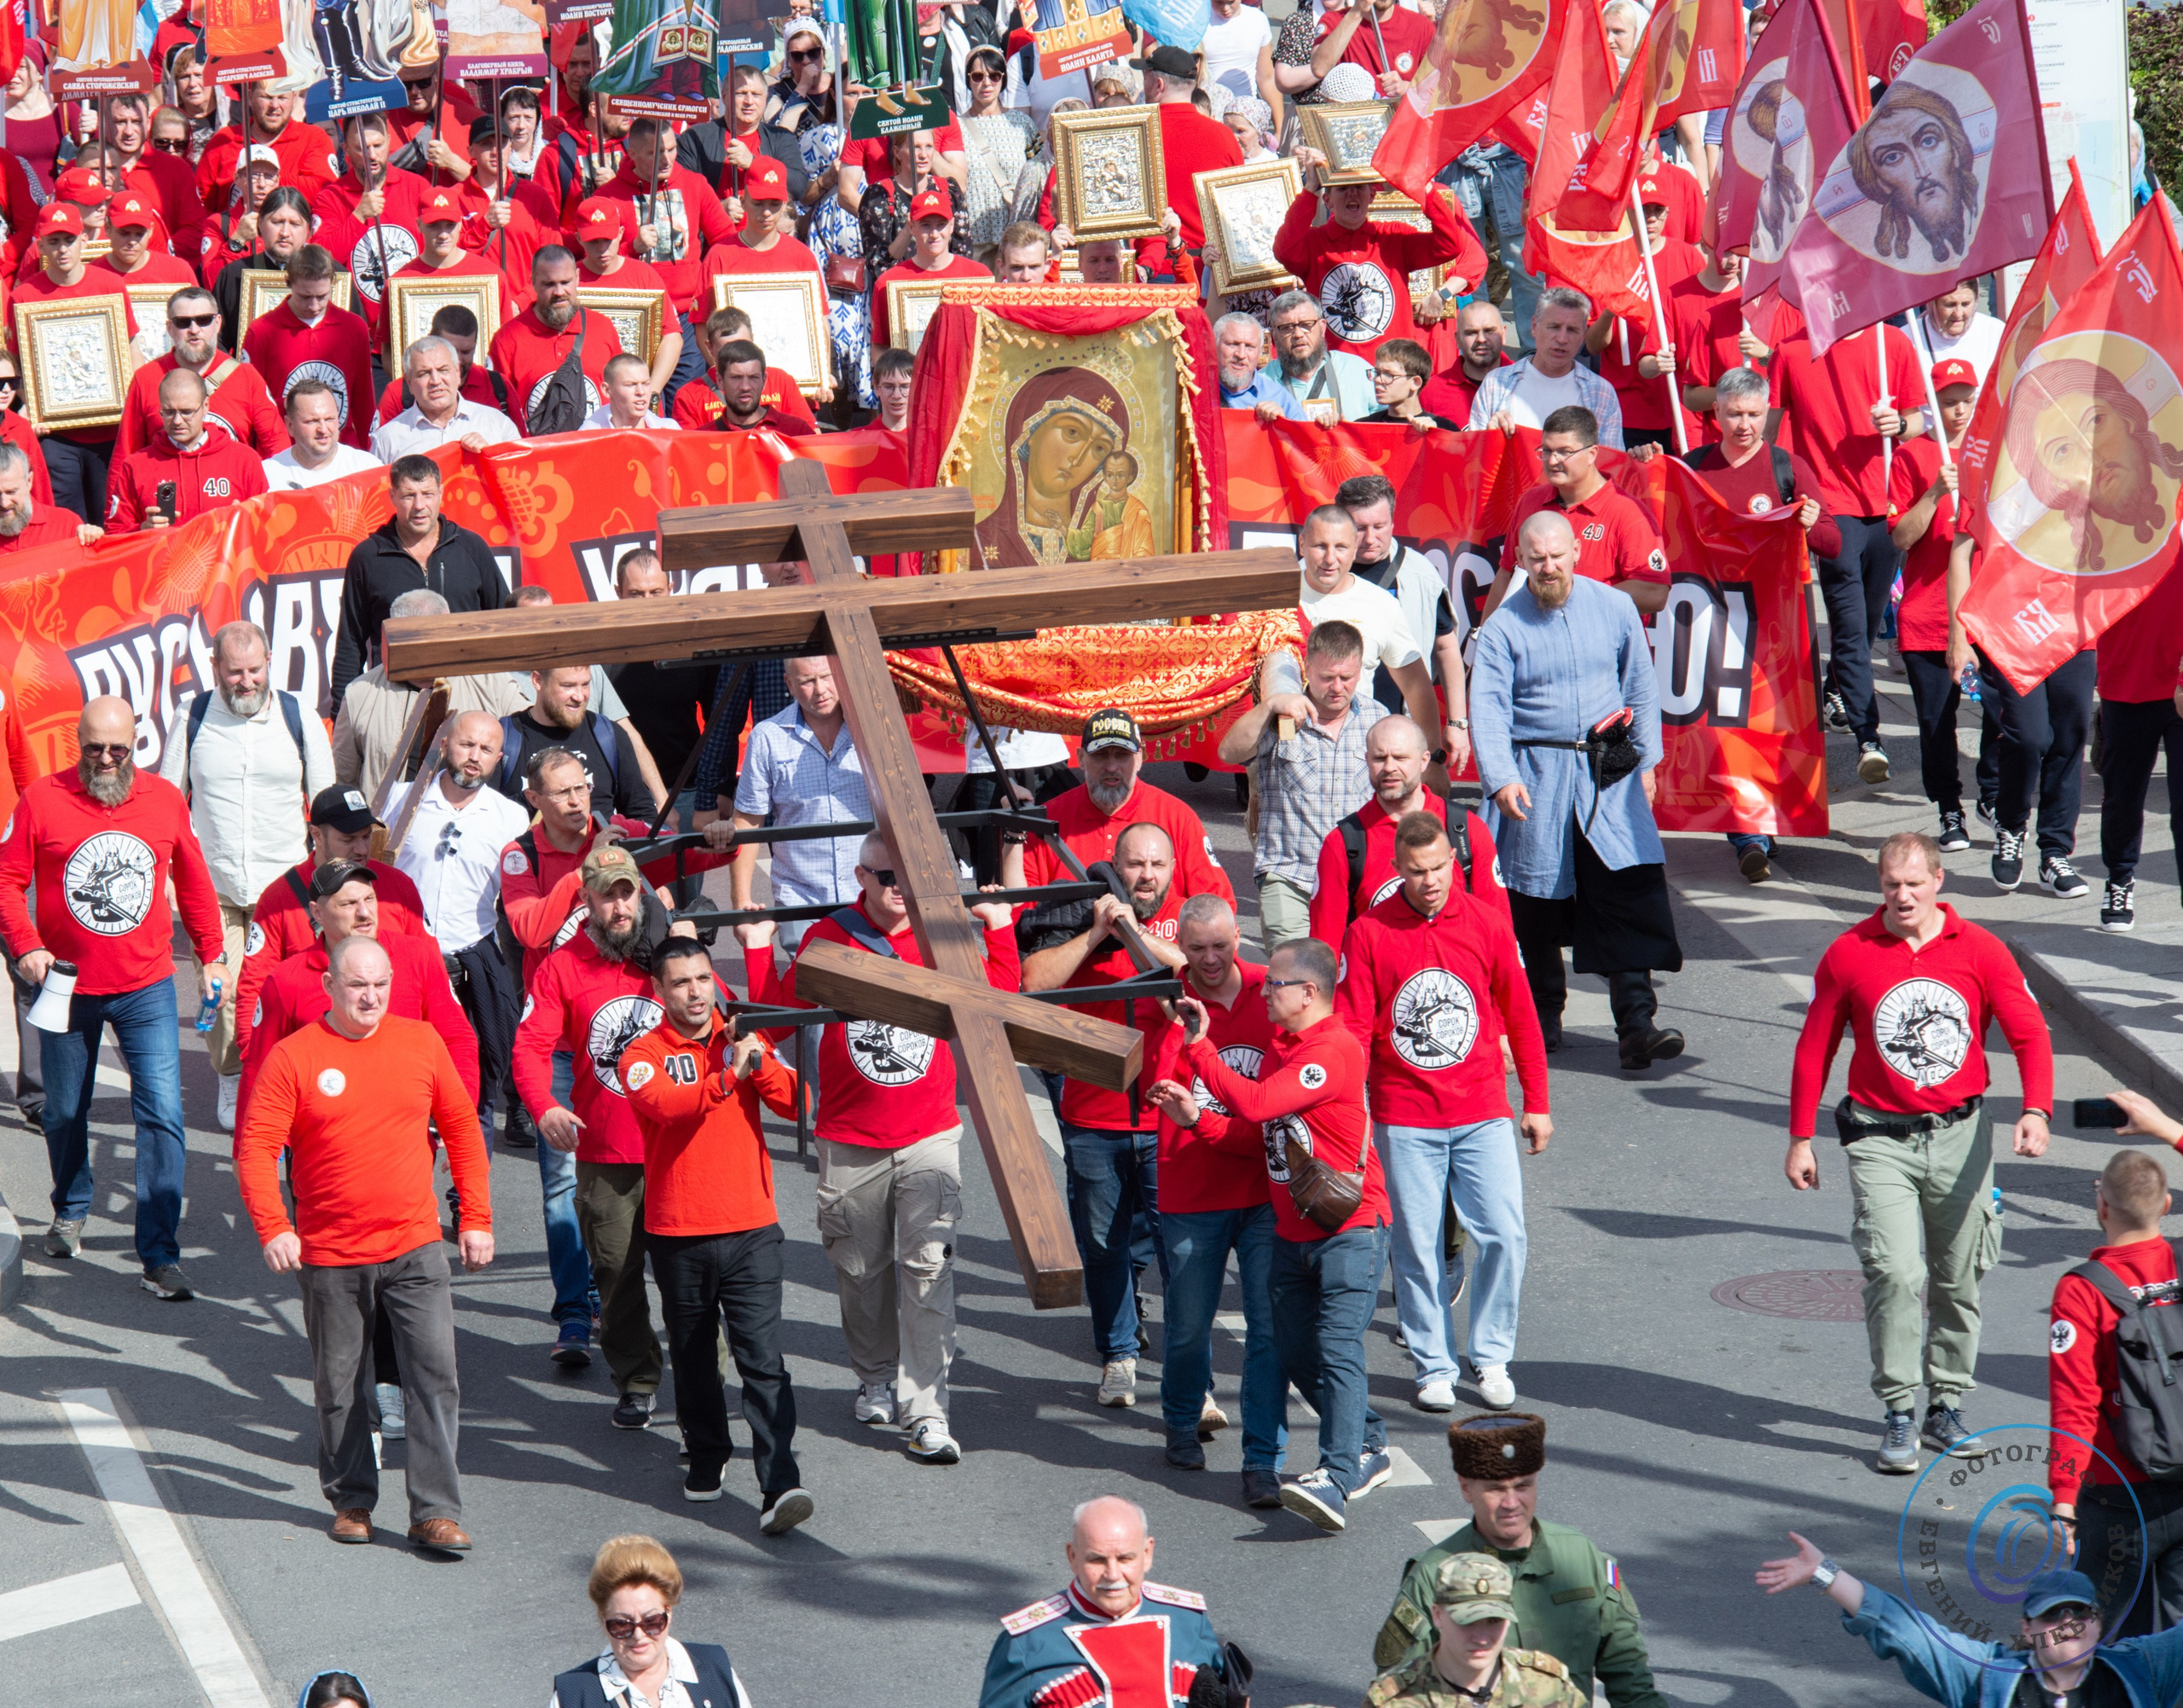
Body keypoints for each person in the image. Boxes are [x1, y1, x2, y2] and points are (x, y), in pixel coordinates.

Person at [738, 835, 1017, 1466]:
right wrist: (757, 947)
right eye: (885, 873)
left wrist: (999, 932)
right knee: (861, 1276)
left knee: (928, 1271)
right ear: (860, 874)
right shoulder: (830, 936)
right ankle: (873, 1374)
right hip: (849, 1137)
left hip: (929, 1136)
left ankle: (927, 1409)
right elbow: (775, 1019)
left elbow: (996, 1006)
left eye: (909, 872)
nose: (898, 884)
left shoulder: (943, 935)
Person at [1786, 830, 2053, 1473]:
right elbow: (1814, 1047)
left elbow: (2029, 1034)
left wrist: (2037, 1109)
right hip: (1880, 1137)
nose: (1902, 896)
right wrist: (1800, 1136)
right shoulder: (1849, 953)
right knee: (1897, 1273)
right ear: (1879, 886)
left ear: (1939, 881)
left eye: (1913, 883)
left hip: (1962, 1135)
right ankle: (1900, 1410)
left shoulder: (1982, 951)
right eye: (1890, 885)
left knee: (1959, 1277)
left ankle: (1947, 1403)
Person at [235, 933, 490, 1555]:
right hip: (330, 1254)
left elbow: (460, 1127)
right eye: (357, 984)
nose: (370, 996)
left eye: (379, 984)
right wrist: (275, 1225)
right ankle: (352, 1497)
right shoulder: (295, 1057)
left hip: (415, 1245)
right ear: (330, 987)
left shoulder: (422, 1042)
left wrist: (476, 1216)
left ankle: (434, 1510)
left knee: (434, 1374)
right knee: (341, 1381)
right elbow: (256, 1147)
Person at [0, 697, 224, 1294]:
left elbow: (195, 882)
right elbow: (6, 878)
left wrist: (212, 953)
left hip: (146, 985)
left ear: (135, 744)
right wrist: (24, 942)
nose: (105, 760)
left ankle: (159, 1251)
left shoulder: (163, 800)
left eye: (117, 749)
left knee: (163, 1114)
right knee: (64, 1110)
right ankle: (71, 1203)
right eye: (94, 748)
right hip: (66, 987)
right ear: (78, 742)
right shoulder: (42, 799)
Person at [1170, 935, 1387, 1533]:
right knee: (1296, 1350)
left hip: (1350, 1228)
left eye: (1275, 984)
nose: (1265, 991)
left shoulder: (1333, 1050)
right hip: (1294, 1232)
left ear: (1308, 992)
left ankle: (1339, 1475)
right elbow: (1260, 1137)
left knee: (1338, 1345)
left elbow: (1261, 1104)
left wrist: (1202, 1049)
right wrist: (1199, 1121)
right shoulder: (1286, 1049)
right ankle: (1370, 1439)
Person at [1339, 812, 1549, 1413]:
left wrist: (1536, 1101)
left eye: (1440, 868)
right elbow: (1353, 1030)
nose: (1431, 880)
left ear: (1453, 863)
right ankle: (1434, 1362)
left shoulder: (1486, 923)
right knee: (1417, 1244)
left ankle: (1490, 1355)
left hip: (1482, 1107)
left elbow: (1523, 1016)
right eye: (1417, 871)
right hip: (1405, 1116)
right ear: (1399, 870)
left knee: (1504, 1234)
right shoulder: (1370, 932)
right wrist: (1353, 1119)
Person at [1472, 512, 1683, 1070]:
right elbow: (1487, 709)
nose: (1548, 567)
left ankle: (1637, 1023)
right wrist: (1500, 777)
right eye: (1536, 557)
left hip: (1607, 765)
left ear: (1575, 553)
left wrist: (1647, 760)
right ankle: (1541, 1019)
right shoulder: (1502, 628)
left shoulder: (1614, 607)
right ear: (1520, 558)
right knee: (1536, 903)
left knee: (1624, 887)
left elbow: (1639, 679)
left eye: (1558, 555)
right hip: (1535, 770)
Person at [622, 937, 814, 1532]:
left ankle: (780, 1482)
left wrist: (756, 1058)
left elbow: (797, 1103)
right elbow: (666, 1106)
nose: (695, 991)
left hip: (752, 1227)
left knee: (763, 1360)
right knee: (696, 1357)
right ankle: (707, 1452)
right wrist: (728, 1077)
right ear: (659, 991)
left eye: (703, 978)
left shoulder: (742, 1040)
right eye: (680, 982)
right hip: (677, 1231)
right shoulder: (641, 1053)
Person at [1023, 820, 1193, 1407]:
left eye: (1157, 865)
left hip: (1165, 1123)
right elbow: (1032, 983)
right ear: (1115, 865)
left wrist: (1142, 935)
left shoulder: (1185, 927)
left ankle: (1187, 1370)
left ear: (1172, 870)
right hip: (1093, 1121)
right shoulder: (1084, 917)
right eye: (1136, 864)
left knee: (1180, 1252)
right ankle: (1118, 1354)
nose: (1146, 875)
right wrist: (1096, 934)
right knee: (1103, 1247)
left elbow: (1212, 976)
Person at [514, 843, 682, 1430]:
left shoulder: (668, 956)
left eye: (626, 891)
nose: (618, 904)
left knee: (691, 1277)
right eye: (606, 893)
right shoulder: (562, 966)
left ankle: (701, 1380)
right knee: (615, 1273)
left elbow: (720, 1021)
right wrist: (544, 1106)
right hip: (606, 1153)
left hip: (678, 1149)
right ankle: (637, 1378)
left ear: (641, 893)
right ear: (584, 899)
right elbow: (531, 1047)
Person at [157, 620, 334, 1126]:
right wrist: (167, 876)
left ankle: (294, 1077)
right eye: (234, 672)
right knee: (222, 989)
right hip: (211, 888)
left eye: (255, 669)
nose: (246, 681)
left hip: (287, 891)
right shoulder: (191, 715)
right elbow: (168, 802)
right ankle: (233, 1077)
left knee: (296, 988)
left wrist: (330, 882)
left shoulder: (298, 715)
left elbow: (324, 806)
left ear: (270, 661)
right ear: (214, 668)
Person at [1137, 894, 1285, 1498]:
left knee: (1268, 1328)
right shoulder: (1165, 998)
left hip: (1259, 1188)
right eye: (1196, 948)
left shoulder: (1271, 990)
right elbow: (1156, 1088)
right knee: (1190, 1326)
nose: (1209, 959)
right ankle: (1179, 1422)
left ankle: (1262, 1457)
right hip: (1192, 1187)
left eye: (1220, 946)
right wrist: (1178, 1029)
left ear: (1238, 939)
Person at [1377, 1413, 1669, 1703]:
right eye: (1495, 1489)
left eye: (1523, 1486)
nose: (1511, 1503)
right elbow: (1400, 1691)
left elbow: (1629, 1678)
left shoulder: (1582, 1556)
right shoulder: (1432, 1574)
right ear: (1466, 1488)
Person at [1769, 313, 1922, 779]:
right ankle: (1868, 738)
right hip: (1831, 509)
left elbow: (1917, 420)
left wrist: (1898, 424)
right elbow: (1768, 429)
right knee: (1851, 628)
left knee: (1873, 620)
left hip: (1885, 504)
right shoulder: (1793, 350)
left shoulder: (1891, 342)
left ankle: (1835, 684)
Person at [2048, 1106, 2183, 1635]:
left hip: (2117, 1493)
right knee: (2175, 1648)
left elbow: (2075, 1401)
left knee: (2105, 1635)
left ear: (2101, 1205)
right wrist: (2170, 1130)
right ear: (2167, 1206)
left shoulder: (2082, 1289)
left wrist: (2063, 1496)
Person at [1752, 1548, 2183, 1708]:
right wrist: (1826, 1576)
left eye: (2079, 1614)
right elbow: (1910, 1632)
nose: (2068, 1623)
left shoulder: (2140, 1669)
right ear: (2027, 1627)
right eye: (2054, 1614)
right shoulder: (1990, 1677)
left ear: (2098, 1625)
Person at [382, 711, 534, 1147]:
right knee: (401, 1088)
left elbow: (522, 898)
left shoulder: (511, 818)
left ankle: (470, 1206)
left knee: (476, 1088)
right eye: (467, 745)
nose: (474, 757)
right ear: (445, 744)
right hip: (403, 959)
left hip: (472, 962)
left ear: (499, 759)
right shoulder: (399, 799)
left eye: (486, 750)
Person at [238, 860, 476, 1120]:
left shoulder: (418, 957)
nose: (365, 913)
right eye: (349, 904)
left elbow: (457, 1039)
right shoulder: (286, 980)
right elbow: (259, 1071)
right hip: (318, 1148)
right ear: (317, 913)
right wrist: (245, 1154)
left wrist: (457, 1120)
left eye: (370, 899)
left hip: (407, 1141)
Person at [230, 784, 430, 1066]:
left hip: (395, 1054)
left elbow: (429, 970)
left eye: (366, 837)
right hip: (314, 1059)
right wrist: (254, 1058)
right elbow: (255, 985)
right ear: (316, 835)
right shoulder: (280, 899)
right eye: (348, 839)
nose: (361, 849)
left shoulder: (399, 887)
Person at [1218, 619, 1384, 949]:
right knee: (1292, 984)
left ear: (1359, 673)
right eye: (1327, 678)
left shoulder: (1377, 719)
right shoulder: (1280, 718)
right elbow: (1228, 752)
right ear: (1307, 667)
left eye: (1346, 678)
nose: (1337, 687)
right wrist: (1270, 706)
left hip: (1355, 880)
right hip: (1289, 875)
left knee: (1348, 980)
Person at [978, 1497, 1234, 1707]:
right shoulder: (1026, 1642)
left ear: (1147, 1554)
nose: (1112, 1575)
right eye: (1097, 1560)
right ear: (1072, 1557)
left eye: (1125, 1559)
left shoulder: (1189, 1621)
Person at [1885, 362, 1978, 860]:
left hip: (1988, 613)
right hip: (1927, 615)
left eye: (1967, 399)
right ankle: (1949, 807)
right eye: (1949, 401)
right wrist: (1936, 492)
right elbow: (1900, 536)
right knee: (1936, 721)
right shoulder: (1911, 456)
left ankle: (1993, 787)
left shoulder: (1995, 449)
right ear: (1931, 405)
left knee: (2011, 719)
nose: (1960, 410)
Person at [1312, 716, 1506, 947]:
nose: (1390, 767)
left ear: (1424, 761)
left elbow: (1500, 932)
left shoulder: (1466, 829)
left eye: (1401, 757)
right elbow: (1325, 945)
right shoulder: (1344, 843)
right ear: (1366, 761)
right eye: (1379, 758)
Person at [332, 454, 509, 707]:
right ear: (392, 497)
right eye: (408, 495)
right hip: (393, 699)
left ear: (441, 493)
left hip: (468, 696)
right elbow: (350, 644)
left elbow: (503, 622)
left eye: (427, 494)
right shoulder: (367, 557)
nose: (419, 505)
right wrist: (341, 714)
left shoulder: (471, 547)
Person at [1294, 507, 1450, 775]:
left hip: (1356, 759)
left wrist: (1434, 760)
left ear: (1354, 549)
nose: (1330, 559)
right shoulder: (1276, 598)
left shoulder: (1380, 605)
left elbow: (1416, 686)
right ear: (1302, 544)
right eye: (1320, 546)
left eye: (1341, 547)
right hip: (1288, 752)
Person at [329, 593, 529, 791]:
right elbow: (343, 778)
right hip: (387, 821)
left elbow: (533, 735)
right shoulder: (361, 692)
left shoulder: (491, 682)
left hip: (469, 818)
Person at [1486, 408, 1670, 620]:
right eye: (1546, 450)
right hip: (1536, 644)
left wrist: (1573, 598)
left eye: (1565, 452)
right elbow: (1506, 573)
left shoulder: (1628, 513)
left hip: (1602, 647)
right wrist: (1485, 635)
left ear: (1592, 454)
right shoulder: (1531, 501)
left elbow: (1655, 593)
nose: (1553, 461)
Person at [1274, 173, 1480, 361]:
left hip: (1393, 365)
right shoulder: (1313, 243)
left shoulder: (1394, 236)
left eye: (1360, 187)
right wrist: (1310, 188)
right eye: (1342, 188)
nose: (1352, 193)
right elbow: (1283, 250)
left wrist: (1423, 186)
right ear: (1327, 200)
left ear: (1372, 195)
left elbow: (1449, 245)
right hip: (1335, 365)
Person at [17, 202, 136, 521]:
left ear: (84, 239)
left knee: (110, 520)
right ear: (39, 244)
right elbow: (18, 366)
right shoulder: (24, 296)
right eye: (53, 241)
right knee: (68, 523)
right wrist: (33, 406)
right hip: (56, 436)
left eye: (68, 240)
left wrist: (133, 407)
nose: (62, 249)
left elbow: (131, 349)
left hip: (109, 430)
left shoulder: (110, 286)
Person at [1337, 474, 1467, 755]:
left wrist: (1457, 723)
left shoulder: (1419, 573)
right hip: (1332, 727)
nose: (1370, 539)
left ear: (1393, 522)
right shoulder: (1316, 572)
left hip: (1401, 730)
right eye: (1360, 528)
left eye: (1379, 526)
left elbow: (1445, 646)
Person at [550, 1535, 759, 1708]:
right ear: (604, 1619)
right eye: (622, 1624)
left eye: (652, 1621)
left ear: (669, 1612)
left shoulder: (715, 1669)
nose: (638, 1635)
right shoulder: (574, 1696)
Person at [1366, 1554, 1588, 1707]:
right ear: (1437, 1615)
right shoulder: (1394, 1699)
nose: (1482, 1638)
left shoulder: (1548, 1686)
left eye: (1494, 1620)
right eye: (1467, 1621)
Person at [114, 287, 288, 461]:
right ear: (169, 328)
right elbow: (126, 454)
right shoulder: (146, 378)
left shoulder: (246, 376)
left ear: (218, 323)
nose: (194, 329)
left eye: (203, 320)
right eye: (183, 322)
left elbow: (276, 446)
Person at [241, 245, 378, 449]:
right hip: (283, 452)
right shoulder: (261, 331)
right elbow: (252, 403)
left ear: (333, 284)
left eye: (322, 296)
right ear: (288, 283)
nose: (314, 306)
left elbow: (364, 400)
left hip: (340, 450)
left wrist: (368, 450)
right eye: (305, 297)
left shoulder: (354, 327)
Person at [105, 368, 269, 534]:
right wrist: (143, 529)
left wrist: (247, 520)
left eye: (186, 412)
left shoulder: (244, 460)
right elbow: (114, 533)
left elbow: (268, 525)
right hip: (162, 559)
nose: (177, 421)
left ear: (205, 406)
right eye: (169, 413)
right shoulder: (135, 466)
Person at [490, 246, 628, 433]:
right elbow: (496, 410)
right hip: (536, 456)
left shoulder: (603, 328)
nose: (559, 292)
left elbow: (622, 394)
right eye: (549, 284)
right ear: (534, 283)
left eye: (566, 282)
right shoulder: (507, 339)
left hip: (597, 452)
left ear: (577, 278)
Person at [1470, 289, 1625, 449]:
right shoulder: (1495, 384)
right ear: (1535, 326)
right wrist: (1489, 438)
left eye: (1572, 330)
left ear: (1583, 336)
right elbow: (1474, 460)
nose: (1562, 338)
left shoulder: (1601, 393)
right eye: (1554, 327)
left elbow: (1611, 466)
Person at [372, 335, 523, 460]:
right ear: (410, 383)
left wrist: (492, 457)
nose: (436, 381)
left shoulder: (497, 424)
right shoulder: (386, 440)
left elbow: (520, 481)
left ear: (457, 373)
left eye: (443, 370)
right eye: (424, 373)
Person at [871, 189, 991, 347]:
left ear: (952, 226)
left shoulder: (979, 276)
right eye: (926, 225)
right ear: (911, 227)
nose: (934, 234)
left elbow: (991, 339)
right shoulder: (888, 283)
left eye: (941, 225)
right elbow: (879, 348)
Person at [1267, 289, 1376, 421]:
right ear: (1274, 335)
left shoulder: (1356, 369)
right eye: (1287, 328)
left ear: (1322, 328)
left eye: (1306, 325)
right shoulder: (1261, 383)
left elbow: (1390, 422)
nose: (1298, 334)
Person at [268, 379, 386, 492]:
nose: (323, 429)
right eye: (312, 421)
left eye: (329, 419)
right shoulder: (269, 475)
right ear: (290, 426)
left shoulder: (368, 468)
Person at [1421, 300, 1513, 423]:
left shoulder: (1526, 381)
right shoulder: (1431, 393)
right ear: (1457, 339)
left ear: (1503, 334)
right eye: (1471, 333)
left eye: (1489, 331)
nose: (1481, 339)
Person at [1359, 338, 1465, 431]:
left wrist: (1436, 437)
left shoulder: (1445, 429)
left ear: (1415, 382)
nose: (1378, 380)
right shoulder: (1363, 427)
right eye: (1377, 373)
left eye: (1389, 374)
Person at [1215, 311, 1303, 421]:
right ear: (1213, 346)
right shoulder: (1194, 393)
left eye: (1250, 347)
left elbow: (1304, 437)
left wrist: (1282, 426)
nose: (1241, 354)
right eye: (1233, 344)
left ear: (1260, 352)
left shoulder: (1279, 397)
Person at [1919, 281, 2005, 388]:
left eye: (1965, 304)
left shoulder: (1996, 331)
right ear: (1933, 304)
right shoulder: (1910, 337)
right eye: (1949, 305)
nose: (1958, 313)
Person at [583, 354, 676, 431]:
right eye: (630, 385)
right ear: (607, 390)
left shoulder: (669, 430)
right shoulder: (589, 435)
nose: (641, 392)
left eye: (646, 384)